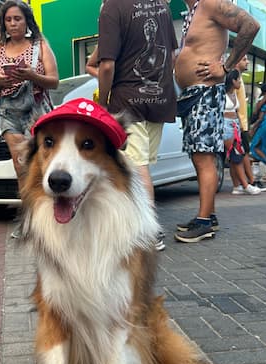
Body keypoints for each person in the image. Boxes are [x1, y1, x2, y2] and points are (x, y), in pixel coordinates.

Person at [174, 0, 259, 243]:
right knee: (199, 155)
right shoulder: (194, 11)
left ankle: (204, 222)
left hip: (205, 92)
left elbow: (250, 26)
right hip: (194, 94)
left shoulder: (210, 3)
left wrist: (226, 67)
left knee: (204, 156)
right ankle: (207, 215)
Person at [98, 0, 178, 251]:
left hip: (128, 100)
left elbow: (107, 64)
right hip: (160, 100)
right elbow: (173, 55)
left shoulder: (112, 7)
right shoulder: (161, 6)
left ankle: (148, 233)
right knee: (142, 164)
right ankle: (136, 226)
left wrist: (103, 101)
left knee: (135, 166)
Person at [0, 1, 58, 180]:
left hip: (37, 112)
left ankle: (44, 206)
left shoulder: (39, 46)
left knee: (39, 164)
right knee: (20, 165)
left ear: (27, 22)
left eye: (17, 18)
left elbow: (54, 81)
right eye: (8, 19)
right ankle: (28, 207)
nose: (13, 23)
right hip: (10, 113)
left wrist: (31, 76)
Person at [223, 70, 260, 195]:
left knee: (236, 156)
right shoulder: (222, 95)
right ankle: (245, 185)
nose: (240, 82)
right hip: (226, 125)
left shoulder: (234, 94)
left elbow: (238, 112)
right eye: (238, 79)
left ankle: (237, 186)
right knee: (236, 155)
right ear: (233, 81)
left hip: (235, 125)